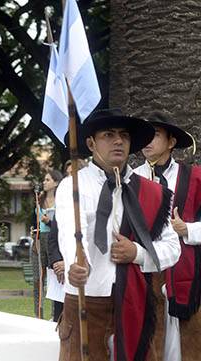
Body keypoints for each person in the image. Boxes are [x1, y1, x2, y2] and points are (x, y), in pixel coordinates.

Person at [56, 108, 181, 361]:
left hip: (136, 302)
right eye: (108, 134)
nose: (118, 141)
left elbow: (172, 248)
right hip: (87, 300)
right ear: (91, 143)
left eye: (124, 135)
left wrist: (138, 253)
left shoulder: (152, 192)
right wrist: (76, 263)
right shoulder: (73, 185)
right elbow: (69, 231)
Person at [134, 111, 201, 361]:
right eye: (145, 136)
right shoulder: (131, 179)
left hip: (188, 277)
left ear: (171, 142)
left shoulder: (195, 177)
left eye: (156, 134)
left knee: (189, 344)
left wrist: (189, 230)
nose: (148, 141)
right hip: (143, 274)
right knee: (150, 342)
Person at [32, 169, 64, 321]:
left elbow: (62, 225)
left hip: (53, 239)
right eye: (44, 180)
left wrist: (49, 222)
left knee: (53, 278)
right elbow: (34, 222)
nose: (44, 182)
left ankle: (54, 315)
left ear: (56, 182)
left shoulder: (62, 200)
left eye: (47, 180)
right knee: (38, 278)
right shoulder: (39, 199)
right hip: (39, 239)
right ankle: (38, 314)